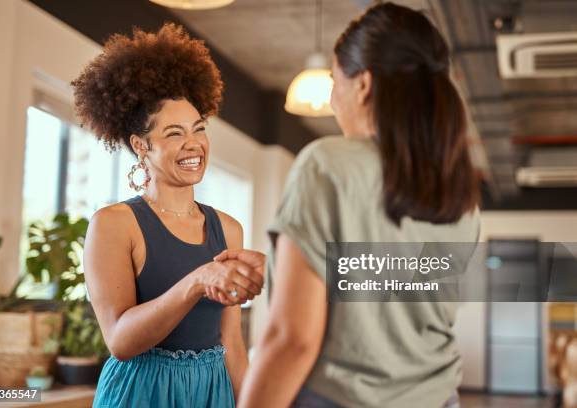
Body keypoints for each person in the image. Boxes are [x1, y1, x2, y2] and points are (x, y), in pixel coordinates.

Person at [238, 3, 480, 408]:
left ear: (363, 84)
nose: (332, 100)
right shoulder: (458, 191)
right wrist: (290, 264)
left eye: (335, 81)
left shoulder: (328, 163)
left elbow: (292, 340)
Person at [72, 23, 265, 408]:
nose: (193, 143)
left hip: (212, 392)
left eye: (198, 129)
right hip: (142, 392)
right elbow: (120, 341)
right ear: (141, 146)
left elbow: (231, 343)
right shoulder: (114, 224)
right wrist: (196, 281)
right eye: (174, 133)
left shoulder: (228, 229)